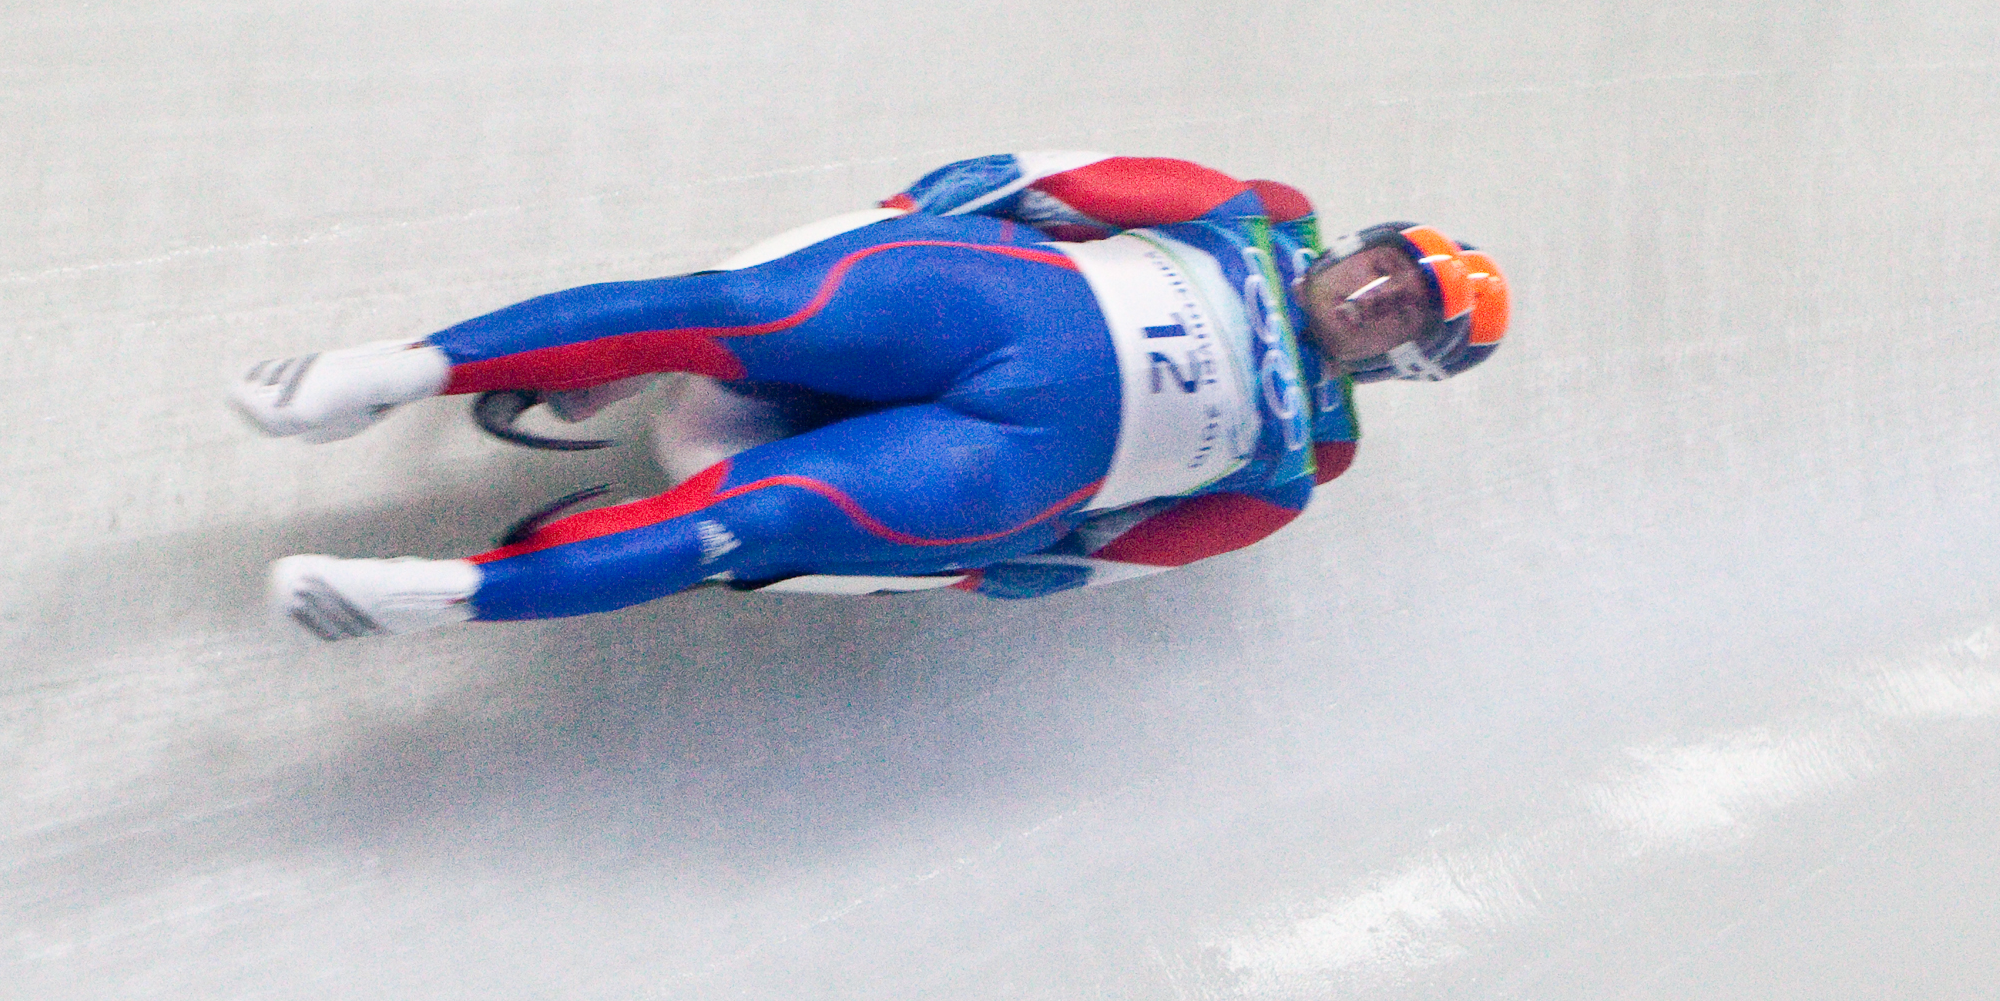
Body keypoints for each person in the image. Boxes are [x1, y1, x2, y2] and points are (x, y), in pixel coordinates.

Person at [230, 150, 1506, 640]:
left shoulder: (1297, 472)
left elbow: (1120, 558)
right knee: (732, 311)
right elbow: (1052, 176)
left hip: (1008, 464)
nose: (1382, 294)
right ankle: (385, 375)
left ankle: (443, 597)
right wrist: (895, 219)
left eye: (1408, 313)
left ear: (1399, 361)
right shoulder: (1253, 210)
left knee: (767, 521)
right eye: (1392, 268)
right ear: (1362, 241)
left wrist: (979, 573)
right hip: (984, 302)